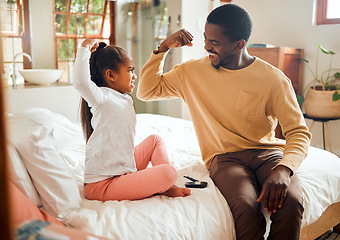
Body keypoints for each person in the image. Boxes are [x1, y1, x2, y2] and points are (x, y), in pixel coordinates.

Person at [137, 4, 311, 240]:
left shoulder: (273, 79)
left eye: (215, 42)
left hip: (267, 154)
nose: (206, 46)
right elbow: (147, 91)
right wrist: (163, 48)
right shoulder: (192, 72)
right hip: (224, 158)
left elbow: (298, 132)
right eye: (205, 39)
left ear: (239, 44)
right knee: (246, 206)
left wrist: (284, 168)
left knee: (291, 200)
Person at [73, 39, 191, 201]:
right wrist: (84, 49)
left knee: (155, 140)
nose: (135, 76)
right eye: (130, 70)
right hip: (102, 184)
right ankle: (165, 183)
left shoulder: (125, 99)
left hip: (124, 169)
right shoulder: (102, 97)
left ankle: (166, 185)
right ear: (111, 75)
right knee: (169, 173)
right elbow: (81, 82)